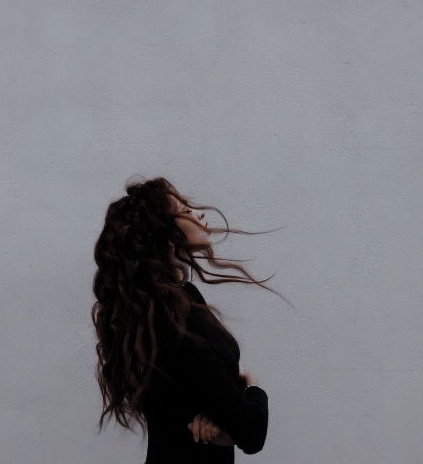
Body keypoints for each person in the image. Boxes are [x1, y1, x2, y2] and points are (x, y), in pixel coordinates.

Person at [92, 176, 288, 463]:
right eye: (185, 211)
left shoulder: (183, 299)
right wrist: (252, 382)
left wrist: (225, 424)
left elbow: (204, 390)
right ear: (165, 236)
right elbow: (252, 432)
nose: (200, 214)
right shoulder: (174, 327)